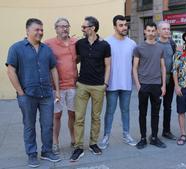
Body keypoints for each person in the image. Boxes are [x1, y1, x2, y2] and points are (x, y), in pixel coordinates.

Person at [6, 18, 61, 168]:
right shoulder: (16, 48)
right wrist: (20, 93)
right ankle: (31, 154)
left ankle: (47, 151)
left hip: (46, 94)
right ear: (27, 30)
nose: (40, 32)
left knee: (47, 125)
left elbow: (53, 69)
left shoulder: (46, 49)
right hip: (27, 96)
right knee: (29, 125)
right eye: (37, 29)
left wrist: (56, 90)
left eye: (41, 30)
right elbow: (11, 71)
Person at [70, 16, 111, 162]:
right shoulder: (80, 43)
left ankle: (93, 143)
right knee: (79, 118)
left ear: (92, 28)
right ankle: (79, 147)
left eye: (84, 27)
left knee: (96, 117)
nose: (82, 29)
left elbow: (108, 65)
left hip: (98, 86)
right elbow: (76, 60)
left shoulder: (104, 45)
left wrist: (105, 84)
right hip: (82, 85)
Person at [99, 15, 137, 149]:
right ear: (115, 26)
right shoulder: (106, 42)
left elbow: (135, 64)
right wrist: (104, 83)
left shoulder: (132, 43)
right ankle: (106, 136)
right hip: (112, 84)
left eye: (125, 25)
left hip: (126, 84)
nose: (124, 27)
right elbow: (103, 64)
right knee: (109, 111)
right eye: (121, 25)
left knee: (125, 111)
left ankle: (126, 134)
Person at [44, 17, 77, 154]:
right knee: (56, 115)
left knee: (72, 114)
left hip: (73, 86)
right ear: (56, 28)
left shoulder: (75, 42)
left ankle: (73, 138)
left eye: (66, 26)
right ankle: (55, 142)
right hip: (56, 88)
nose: (64, 28)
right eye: (61, 26)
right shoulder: (48, 43)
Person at [133, 22, 167, 149]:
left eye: (153, 31)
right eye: (149, 30)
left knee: (155, 113)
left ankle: (154, 137)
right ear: (145, 32)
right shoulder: (138, 48)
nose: (151, 33)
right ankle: (142, 138)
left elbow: (163, 67)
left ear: (156, 32)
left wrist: (163, 85)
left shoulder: (160, 48)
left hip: (156, 85)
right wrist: (137, 84)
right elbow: (134, 67)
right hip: (144, 85)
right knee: (142, 112)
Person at [157, 21, 176, 140]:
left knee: (168, 106)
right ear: (158, 31)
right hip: (157, 80)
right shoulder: (155, 44)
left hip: (170, 79)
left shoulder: (172, 44)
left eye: (168, 29)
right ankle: (155, 133)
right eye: (164, 29)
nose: (167, 31)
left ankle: (166, 131)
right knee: (156, 107)